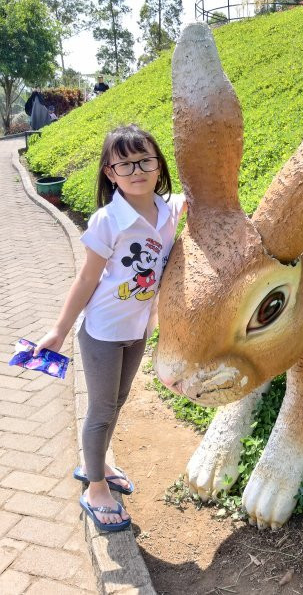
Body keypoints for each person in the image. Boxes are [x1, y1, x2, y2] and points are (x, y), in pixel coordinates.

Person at [34, 124, 187, 532]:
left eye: (145, 160)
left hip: (139, 327)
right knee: (101, 410)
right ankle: (96, 488)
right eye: (125, 163)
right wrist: (58, 331)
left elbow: (196, 199)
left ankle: (95, 462)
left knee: (116, 402)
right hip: (102, 330)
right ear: (109, 171)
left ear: (158, 165)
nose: (137, 169)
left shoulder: (170, 208)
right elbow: (85, 280)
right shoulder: (108, 221)